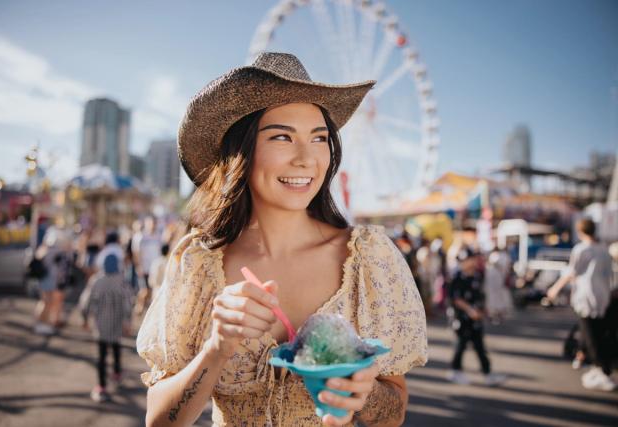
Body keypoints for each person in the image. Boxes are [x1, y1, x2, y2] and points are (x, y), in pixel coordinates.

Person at [136, 52, 428, 427]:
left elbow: (393, 413)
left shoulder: (368, 259)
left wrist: (364, 393)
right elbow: (158, 421)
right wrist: (216, 348)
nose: (306, 158)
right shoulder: (198, 264)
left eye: (319, 138)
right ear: (241, 151)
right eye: (281, 137)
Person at [547, 218, 615, 391]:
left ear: (581, 232)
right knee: (597, 333)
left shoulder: (581, 249)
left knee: (591, 336)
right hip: (602, 297)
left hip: (586, 297)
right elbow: (609, 276)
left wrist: (554, 289)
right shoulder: (604, 250)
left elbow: (572, 272)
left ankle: (602, 371)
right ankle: (596, 367)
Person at [446, 247, 506, 386]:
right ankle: (455, 371)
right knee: (461, 345)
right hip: (462, 318)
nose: (469, 262)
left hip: (476, 318)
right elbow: (456, 299)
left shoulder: (477, 276)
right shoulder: (457, 277)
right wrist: (469, 310)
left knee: (479, 346)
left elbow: (480, 295)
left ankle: (488, 373)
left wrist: (482, 310)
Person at [83, 254, 133, 402]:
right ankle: (117, 373)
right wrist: (127, 321)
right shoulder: (122, 281)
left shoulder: (96, 281)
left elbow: (86, 301)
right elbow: (128, 303)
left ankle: (101, 386)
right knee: (117, 348)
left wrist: (84, 317)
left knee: (102, 355)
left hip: (100, 324)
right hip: (117, 323)